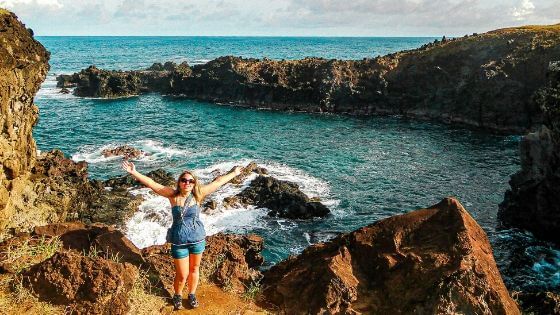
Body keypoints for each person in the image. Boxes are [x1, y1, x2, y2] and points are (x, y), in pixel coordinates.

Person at [122, 160, 242, 310]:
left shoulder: (199, 195)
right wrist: (134, 172)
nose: (187, 183)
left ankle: (191, 294)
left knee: (194, 269)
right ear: (179, 183)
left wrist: (234, 173)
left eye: (190, 181)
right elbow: (153, 183)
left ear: (194, 183)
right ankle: (177, 294)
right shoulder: (173, 196)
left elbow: (218, 182)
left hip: (197, 239)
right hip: (179, 241)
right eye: (184, 180)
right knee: (182, 274)